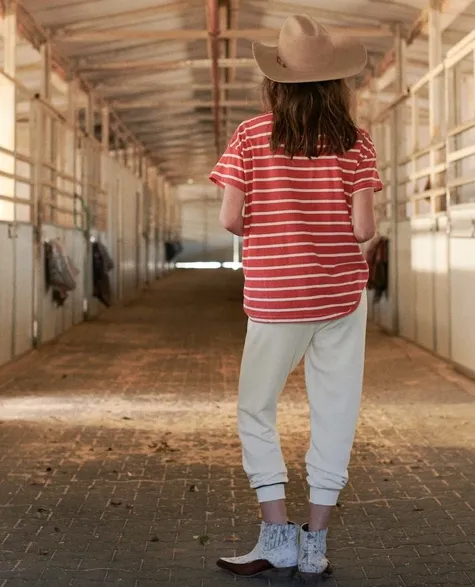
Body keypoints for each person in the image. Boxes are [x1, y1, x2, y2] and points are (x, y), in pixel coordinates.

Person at [209, 14, 382, 583]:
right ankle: (315, 547)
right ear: (335, 81)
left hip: (277, 295)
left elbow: (231, 217)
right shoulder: (357, 142)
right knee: (335, 412)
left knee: (256, 410)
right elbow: (362, 230)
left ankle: (276, 537)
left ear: (275, 80)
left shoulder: (251, 135)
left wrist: (278, 224)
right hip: (339, 295)